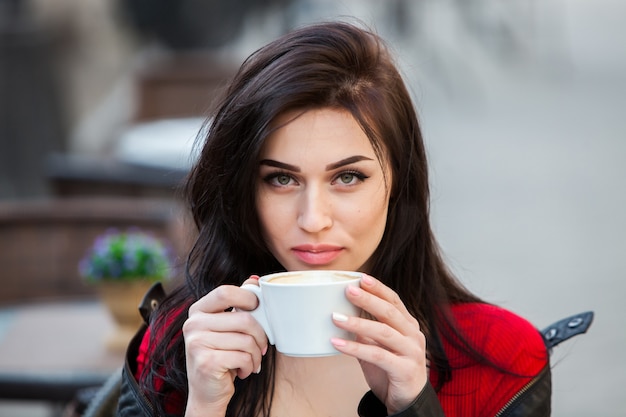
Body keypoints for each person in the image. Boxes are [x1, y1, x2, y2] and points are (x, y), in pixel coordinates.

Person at [116, 21, 551, 417]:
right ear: (244, 190)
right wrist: (204, 407)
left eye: (347, 177)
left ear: (398, 182)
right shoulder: (184, 345)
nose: (313, 219)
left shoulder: (498, 362)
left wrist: (415, 406)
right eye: (281, 179)